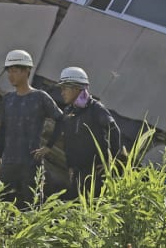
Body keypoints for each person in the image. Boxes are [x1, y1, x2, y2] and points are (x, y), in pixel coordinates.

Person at [0, 49, 63, 208]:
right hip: (9, 162)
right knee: (1, 205)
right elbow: (3, 129)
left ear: (26, 71)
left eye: (15, 71)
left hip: (31, 164)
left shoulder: (40, 97)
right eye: (9, 72)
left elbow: (61, 119)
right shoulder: (8, 100)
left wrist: (48, 147)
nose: (11, 76)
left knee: (32, 206)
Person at [38, 66, 121, 199]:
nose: (62, 92)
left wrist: (110, 161)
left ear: (76, 89)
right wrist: (70, 165)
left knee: (93, 207)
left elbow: (114, 130)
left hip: (96, 172)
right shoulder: (68, 112)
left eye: (65, 88)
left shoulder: (96, 109)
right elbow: (69, 142)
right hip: (78, 173)